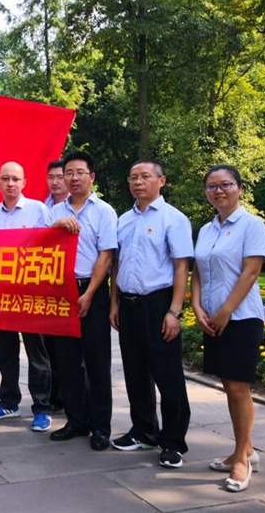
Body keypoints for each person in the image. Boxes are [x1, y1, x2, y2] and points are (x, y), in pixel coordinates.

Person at [109, 160, 193, 468]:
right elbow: (116, 264)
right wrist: (115, 304)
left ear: (162, 181)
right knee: (135, 372)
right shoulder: (124, 219)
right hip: (128, 304)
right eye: (133, 177)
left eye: (145, 176)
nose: (138, 182)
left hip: (159, 305)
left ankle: (173, 441)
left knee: (167, 376)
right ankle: (143, 430)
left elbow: (181, 266)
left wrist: (174, 311)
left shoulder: (174, 219)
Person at [191, 165, 265, 492]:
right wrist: (196, 306)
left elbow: (251, 272)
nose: (219, 191)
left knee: (238, 387)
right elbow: (198, 270)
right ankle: (244, 449)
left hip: (241, 318)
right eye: (212, 186)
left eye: (225, 184)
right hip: (213, 319)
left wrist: (225, 311)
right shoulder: (207, 229)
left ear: (239, 187)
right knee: (228, 384)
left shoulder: (252, 225)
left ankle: (241, 460)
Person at [50, 151, 117, 450]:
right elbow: (39, 246)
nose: (74, 178)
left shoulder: (104, 211)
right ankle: (76, 421)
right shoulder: (53, 211)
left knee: (97, 361)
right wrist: (55, 227)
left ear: (92, 177)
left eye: (80, 172)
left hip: (93, 289)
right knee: (67, 362)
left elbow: (107, 255)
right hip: (60, 292)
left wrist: (88, 293)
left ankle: (101, 427)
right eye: (69, 172)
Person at [0, 161, 54, 433]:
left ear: (24, 182)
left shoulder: (38, 209)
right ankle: (9, 401)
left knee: (37, 353)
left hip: (31, 293)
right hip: (2, 294)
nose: (10, 183)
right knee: (6, 350)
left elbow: (51, 247)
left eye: (15, 179)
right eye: (5, 179)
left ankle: (42, 407)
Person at [44, 159, 68, 411]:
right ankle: (55, 396)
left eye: (60, 176)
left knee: (73, 349)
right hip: (48, 286)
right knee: (50, 345)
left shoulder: (78, 207)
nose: (55, 181)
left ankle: (76, 398)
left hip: (73, 285)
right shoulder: (43, 208)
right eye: (51, 177)